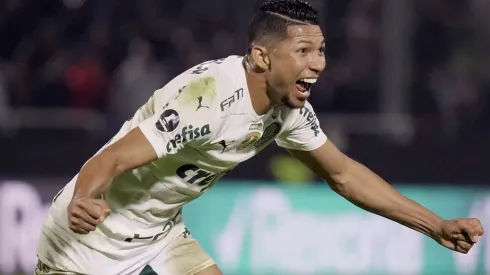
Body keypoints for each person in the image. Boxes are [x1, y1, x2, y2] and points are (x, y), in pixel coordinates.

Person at [36, 0, 484, 274]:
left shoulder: (288, 109)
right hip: (87, 244)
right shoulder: (206, 97)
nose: (319, 63)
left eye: (321, 50)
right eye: (303, 51)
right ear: (262, 57)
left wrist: (436, 226)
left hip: (157, 233)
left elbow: (344, 174)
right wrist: (82, 199)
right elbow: (110, 159)